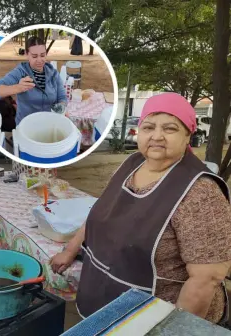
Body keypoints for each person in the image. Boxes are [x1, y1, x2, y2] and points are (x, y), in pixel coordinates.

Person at [50, 92, 231, 325]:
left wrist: (172, 330)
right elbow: (100, 212)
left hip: (159, 315)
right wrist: (70, 250)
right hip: (105, 298)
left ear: (188, 135)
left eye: (170, 128)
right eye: (148, 127)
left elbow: (206, 278)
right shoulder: (132, 163)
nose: (157, 136)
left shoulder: (200, 193)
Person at [0, 36, 67, 125]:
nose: (39, 60)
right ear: (27, 54)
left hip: (49, 123)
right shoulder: (20, 72)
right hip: (26, 125)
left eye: (42, 55)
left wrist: (61, 106)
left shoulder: (54, 74)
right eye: (34, 56)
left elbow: (62, 97)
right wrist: (18, 88)